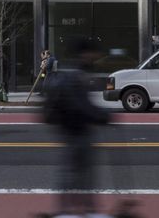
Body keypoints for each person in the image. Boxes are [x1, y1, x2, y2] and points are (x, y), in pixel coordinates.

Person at [41, 37, 109, 218]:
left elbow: (83, 103)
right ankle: (68, 212)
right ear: (85, 53)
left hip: (75, 129)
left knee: (79, 172)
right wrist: (102, 116)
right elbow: (80, 105)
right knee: (74, 172)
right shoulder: (76, 75)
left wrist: (99, 115)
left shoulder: (79, 72)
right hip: (75, 130)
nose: (96, 57)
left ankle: (82, 210)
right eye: (94, 53)